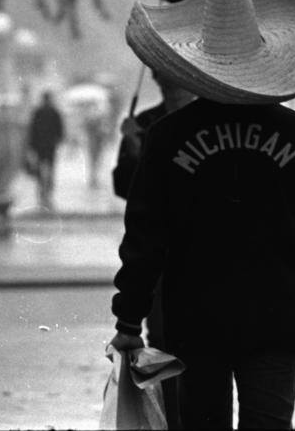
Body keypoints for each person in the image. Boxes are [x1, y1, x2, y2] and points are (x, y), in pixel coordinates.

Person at [108, 0, 295, 429]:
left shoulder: (167, 138)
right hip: (277, 318)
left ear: (196, 62)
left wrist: (129, 318)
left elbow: (145, 238)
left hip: (194, 320)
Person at [110, 70, 195, 428]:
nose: (170, 86)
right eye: (164, 80)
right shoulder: (145, 123)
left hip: (199, 249)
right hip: (161, 255)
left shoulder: (206, 120)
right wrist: (132, 153)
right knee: (163, 341)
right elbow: (124, 187)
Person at [112, 69, 195, 199]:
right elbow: (123, 188)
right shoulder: (142, 123)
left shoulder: (210, 121)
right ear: (157, 77)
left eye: (183, 76)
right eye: (169, 74)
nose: (176, 82)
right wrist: (134, 154)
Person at [25, 91, 64, 209]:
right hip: (50, 145)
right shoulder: (54, 112)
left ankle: (42, 190)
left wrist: (31, 145)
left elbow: (32, 129)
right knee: (50, 167)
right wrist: (58, 139)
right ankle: (48, 190)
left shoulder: (38, 112)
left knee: (40, 168)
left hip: (39, 145)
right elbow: (60, 129)